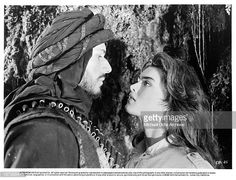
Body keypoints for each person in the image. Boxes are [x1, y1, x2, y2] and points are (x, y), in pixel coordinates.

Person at [4, 8, 125, 168]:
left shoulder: (64, 120)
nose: (108, 67)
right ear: (74, 62)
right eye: (99, 56)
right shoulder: (48, 133)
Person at [125, 52, 222, 168]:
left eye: (146, 83)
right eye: (138, 81)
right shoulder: (137, 154)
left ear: (171, 100)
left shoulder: (190, 168)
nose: (133, 87)